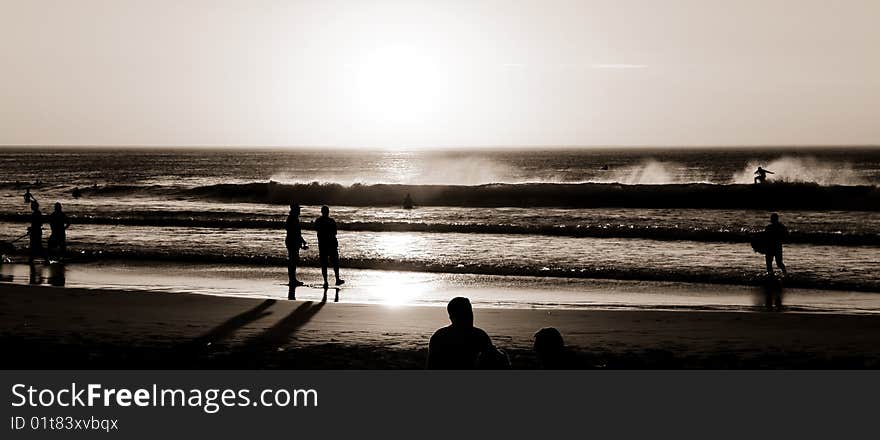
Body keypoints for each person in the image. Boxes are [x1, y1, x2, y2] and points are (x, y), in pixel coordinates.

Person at [427, 297, 509, 369]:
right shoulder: (478, 335)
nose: (470, 317)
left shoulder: (439, 335)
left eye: (470, 313)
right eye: (466, 314)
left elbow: (430, 366)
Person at [314, 205, 344, 287]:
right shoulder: (331, 221)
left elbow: (316, 230)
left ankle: (326, 282)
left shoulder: (318, 221)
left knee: (324, 264)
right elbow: (335, 233)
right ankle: (337, 279)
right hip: (331, 244)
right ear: (328, 212)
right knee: (335, 263)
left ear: (321, 212)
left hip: (322, 244)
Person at [285, 204, 308, 286]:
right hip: (292, 241)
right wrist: (301, 241)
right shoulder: (293, 219)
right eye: (298, 209)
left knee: (293, 260)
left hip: (291, 241)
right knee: (293, 261)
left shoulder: (292, 218)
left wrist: (302, 241)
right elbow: (295, 232)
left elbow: (296, 232)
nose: (299, 211)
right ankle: (292, 280)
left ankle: (292, 279)